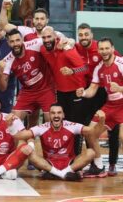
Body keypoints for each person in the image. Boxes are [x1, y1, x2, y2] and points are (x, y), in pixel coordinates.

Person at [8, 103, 97, 181]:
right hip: (49, 164)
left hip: (70, 162)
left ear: (63, 115)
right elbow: (20, 136)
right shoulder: (42, 127)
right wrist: (10, 125)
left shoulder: (71, 125)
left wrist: (100, 121)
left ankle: (60, 173)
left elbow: (90, 131)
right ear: (49, 116)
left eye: (59, 113)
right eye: (53, 113)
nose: (56, 115)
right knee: (28, 153)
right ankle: (63, 174)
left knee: (91, 152)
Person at [75, 23, 120, 175]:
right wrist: (83, 93)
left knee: (119, 136)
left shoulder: (121, 64)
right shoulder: (99, 68)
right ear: (98, 50)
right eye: (101, 49)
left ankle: (112, 164)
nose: (104, 51)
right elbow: (92, 89)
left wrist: (120, 88)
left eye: (107, 48)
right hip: (111, 105)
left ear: (113, 49)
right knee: (90, 132)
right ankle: (99, 166)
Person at [40, 26, 88, 156]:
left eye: (49, 37)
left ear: (55, 38)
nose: (46, 40)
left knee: (75, 125)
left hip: (76, 92)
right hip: (60, 92)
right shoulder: (43, 50)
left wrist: (72, 71)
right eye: (44, 37)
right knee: (62, 123)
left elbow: (85, 68)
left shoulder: (67, 49)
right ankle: (64, 154)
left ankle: (76, 156)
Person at [0, 29, 56, 124]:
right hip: (28, 92)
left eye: (17, 40)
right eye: (12, 41)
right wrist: (0, 71)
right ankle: (28, 138)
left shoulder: (34, 44)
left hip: (46, 89)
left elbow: (53, 35)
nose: (15, 44)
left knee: (51, 121)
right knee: (12, 122)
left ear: (22, 40)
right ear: (8, 43)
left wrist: (68, 41)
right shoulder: (7, 61)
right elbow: (3, 88)